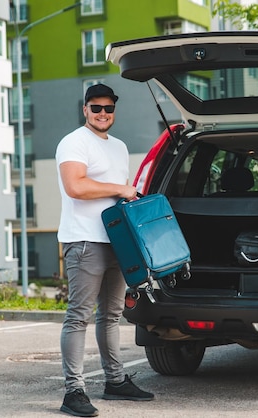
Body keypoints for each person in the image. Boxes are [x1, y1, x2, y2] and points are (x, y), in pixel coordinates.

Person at [56, 83, 154, 417]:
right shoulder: (74, 142)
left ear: (114, 111)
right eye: (95, 108)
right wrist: (120, 189)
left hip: (117, 241)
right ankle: (74, 391)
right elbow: (76, 186)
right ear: (85, 109)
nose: (102, 114)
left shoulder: (119, 147)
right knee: (79, 316)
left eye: (108, 108)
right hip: (84, 240)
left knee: (111, 315)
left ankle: (115, 381)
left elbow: (121, 197)